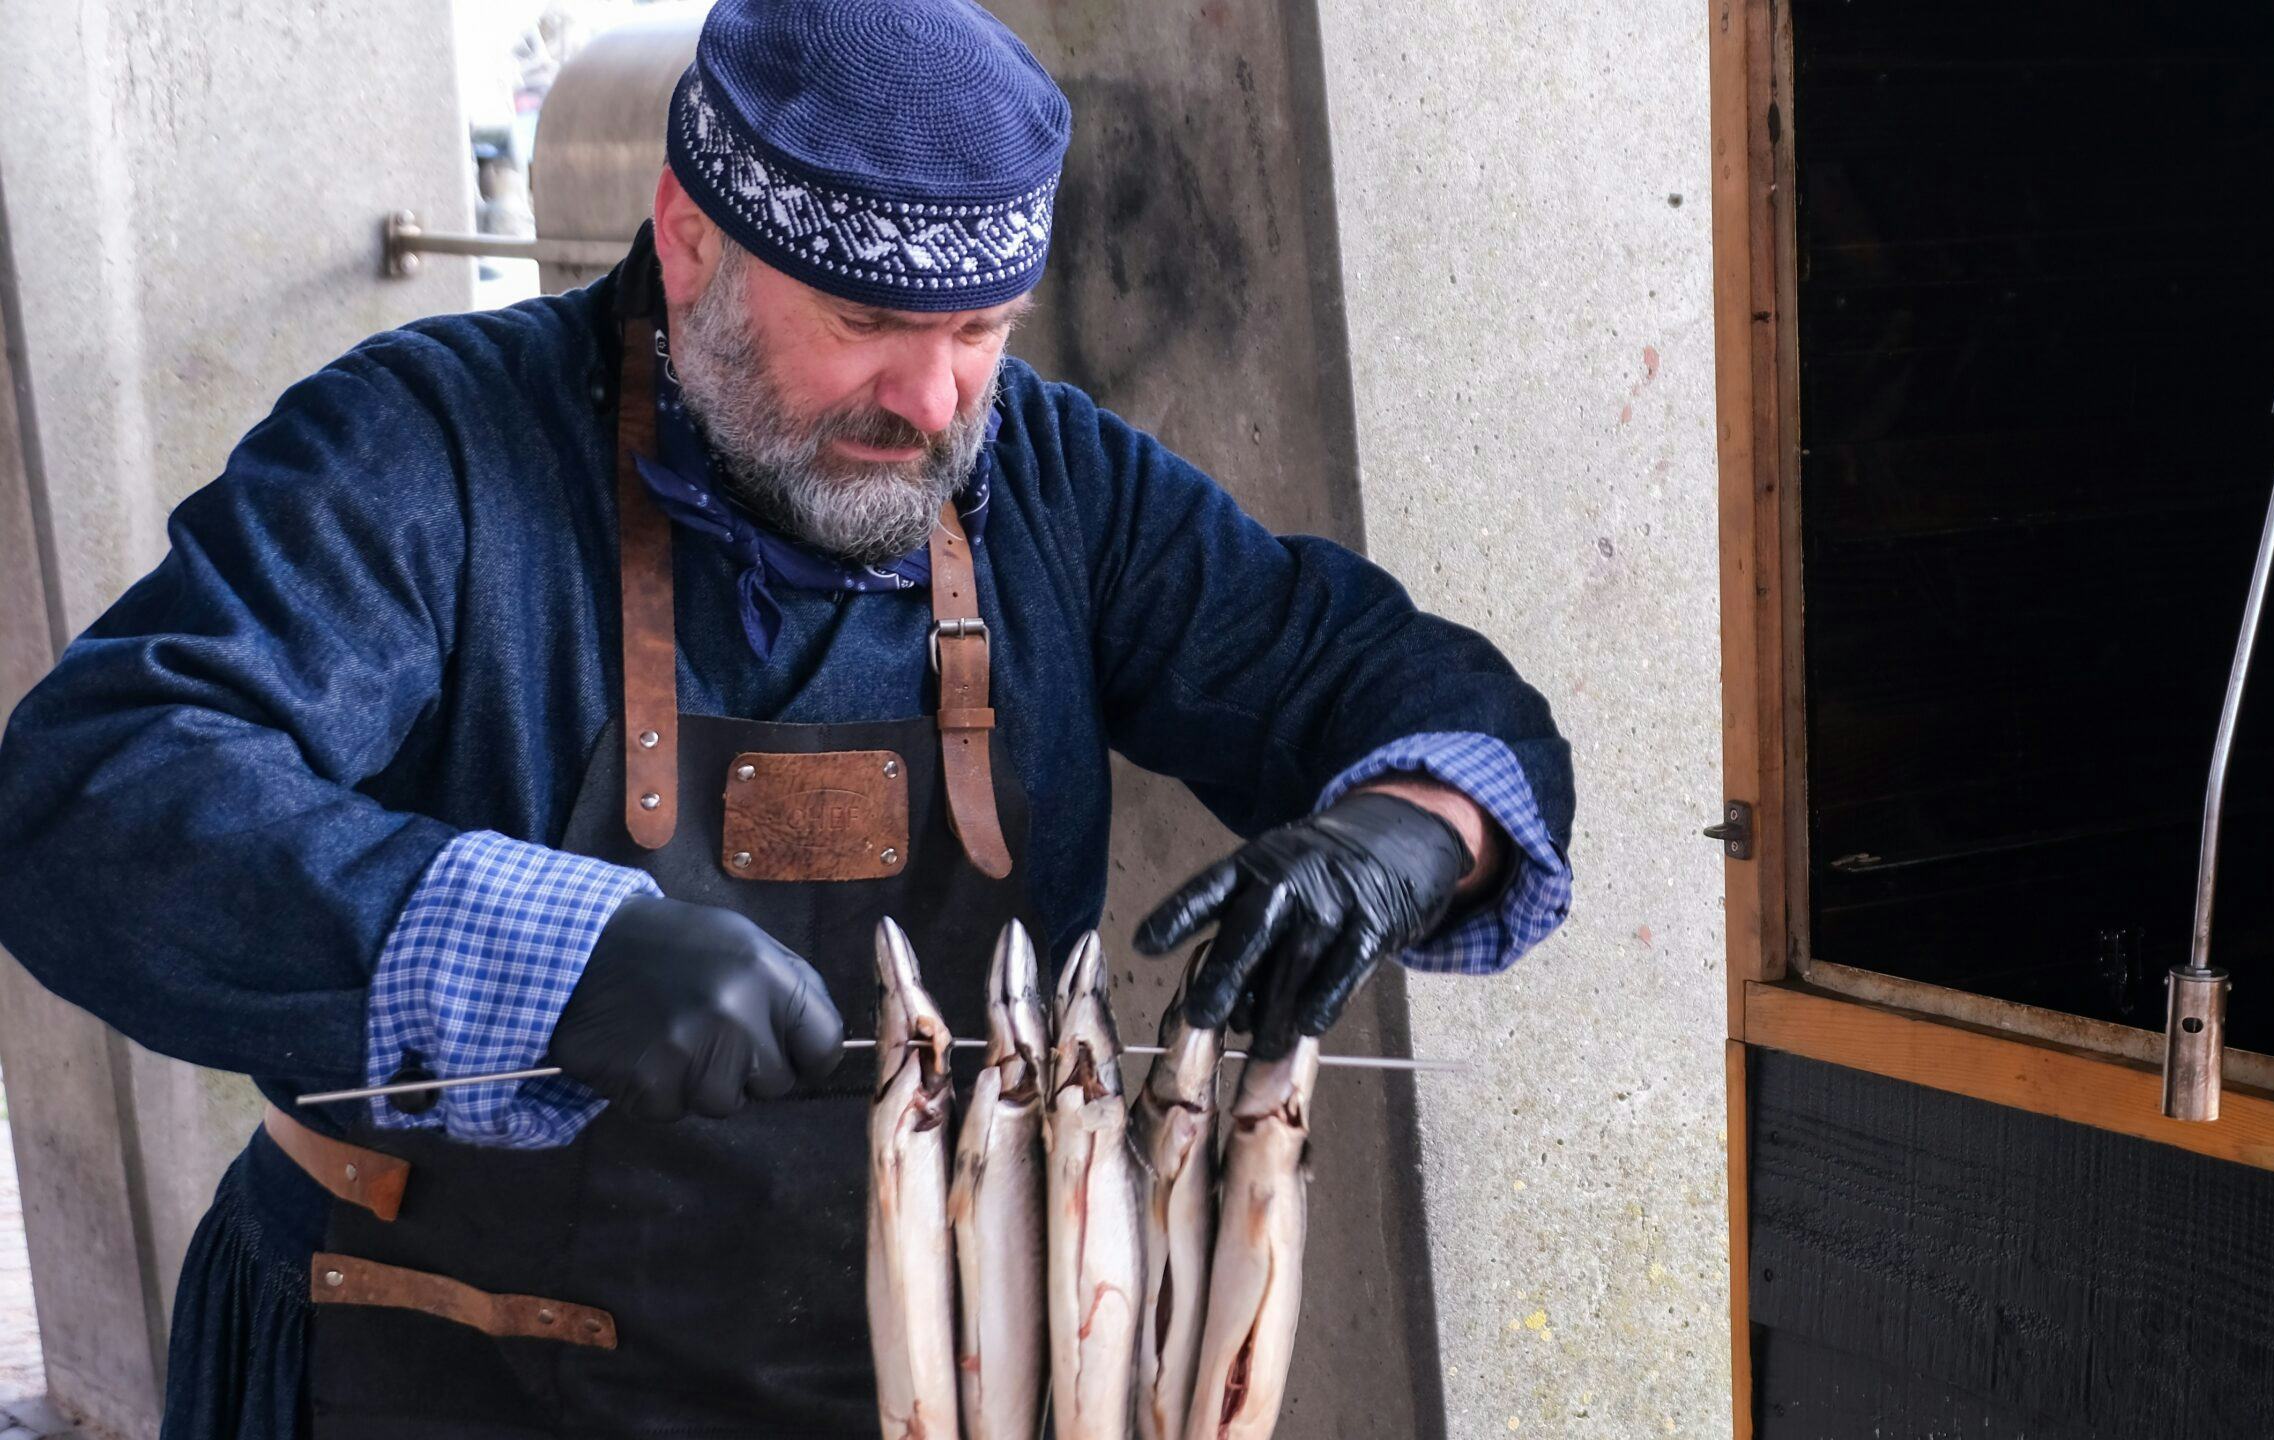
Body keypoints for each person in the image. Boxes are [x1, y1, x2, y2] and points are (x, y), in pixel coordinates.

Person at [0, 1, 1573, 1434]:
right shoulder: (428, 448)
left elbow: (1385, 678)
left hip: (905, 1392)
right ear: (690, 242)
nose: (936, 403)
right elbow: (96, 792)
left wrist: (1410, 829)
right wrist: (553, 957)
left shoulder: (1051, 482)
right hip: (439, 1366)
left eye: (982, 330)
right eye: (868, 323)